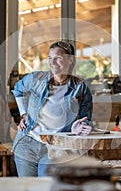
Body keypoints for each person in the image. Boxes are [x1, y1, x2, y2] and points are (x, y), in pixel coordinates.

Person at [11, 40, 93, 177]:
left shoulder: (81, 88)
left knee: (47, 186)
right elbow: (18, 90)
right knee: (27, 187)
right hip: (27, 143)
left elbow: (84, 118)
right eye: (50, 58)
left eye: (58, 58)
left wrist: (77, 129)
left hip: (55, 147)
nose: (52, 63)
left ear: (70, 61)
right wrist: (23, 113)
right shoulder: (35, 79)